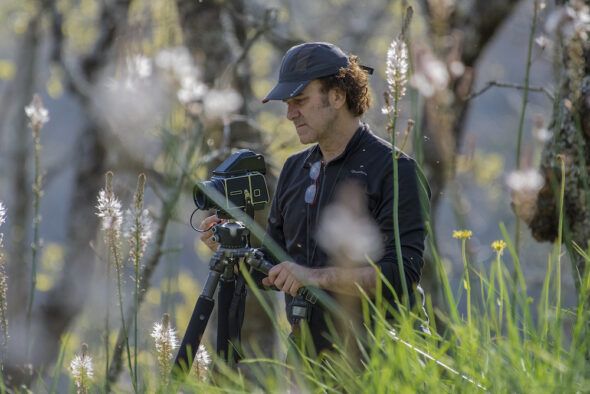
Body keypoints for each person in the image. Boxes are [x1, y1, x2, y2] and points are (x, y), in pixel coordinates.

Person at [200, 41, 429, 357]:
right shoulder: (295, 168)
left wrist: (313, 277)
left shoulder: (395, 170)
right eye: (288, 103)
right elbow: (273, 263)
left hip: (389, 357)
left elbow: (400, 275)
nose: (290, 114)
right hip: (311, 359)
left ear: (337, 96)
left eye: (300, 101)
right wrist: (232, 246)